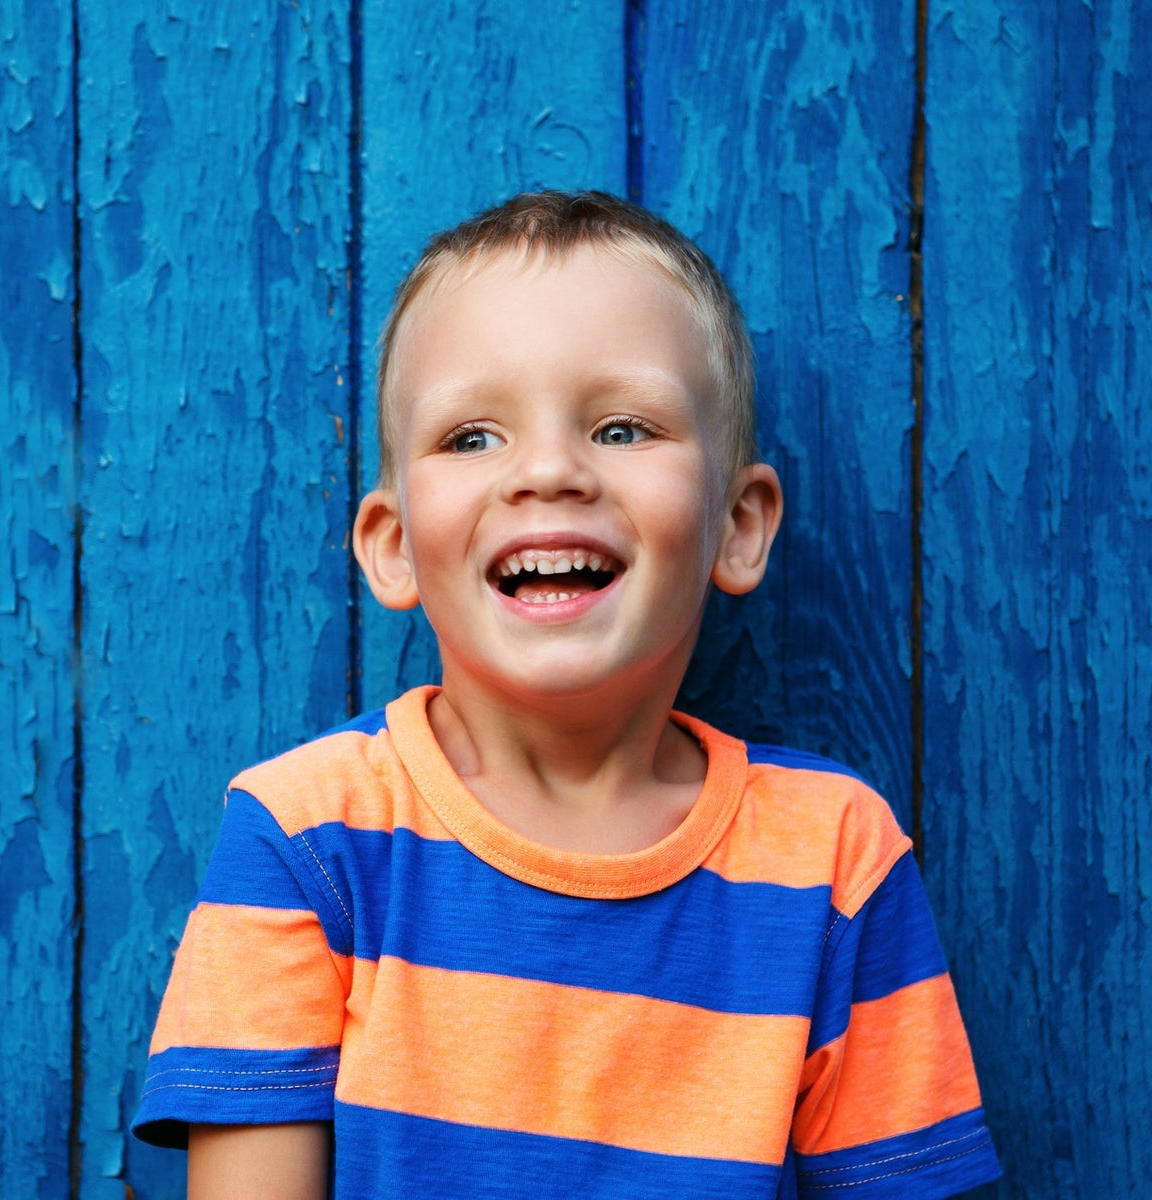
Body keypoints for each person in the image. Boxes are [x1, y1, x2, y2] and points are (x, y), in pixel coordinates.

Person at [130, 190, 1002, 1199]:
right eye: (470, 438)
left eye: (624, 428)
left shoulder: (833, 859)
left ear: (738, 523)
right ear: (394, 544)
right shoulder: (307, 836)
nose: (547, 470)